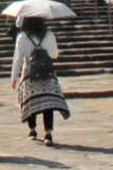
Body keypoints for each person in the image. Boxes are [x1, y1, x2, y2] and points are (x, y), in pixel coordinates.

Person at [11, 15, 69, 146]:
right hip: (47, 74)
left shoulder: (22, 37)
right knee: (47, 104)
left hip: (29, 75)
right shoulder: (49, 35)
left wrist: (14, 77)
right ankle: (48, 133)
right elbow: (55, 54)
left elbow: (18, 58)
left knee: (30, 102)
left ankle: (32, 130)